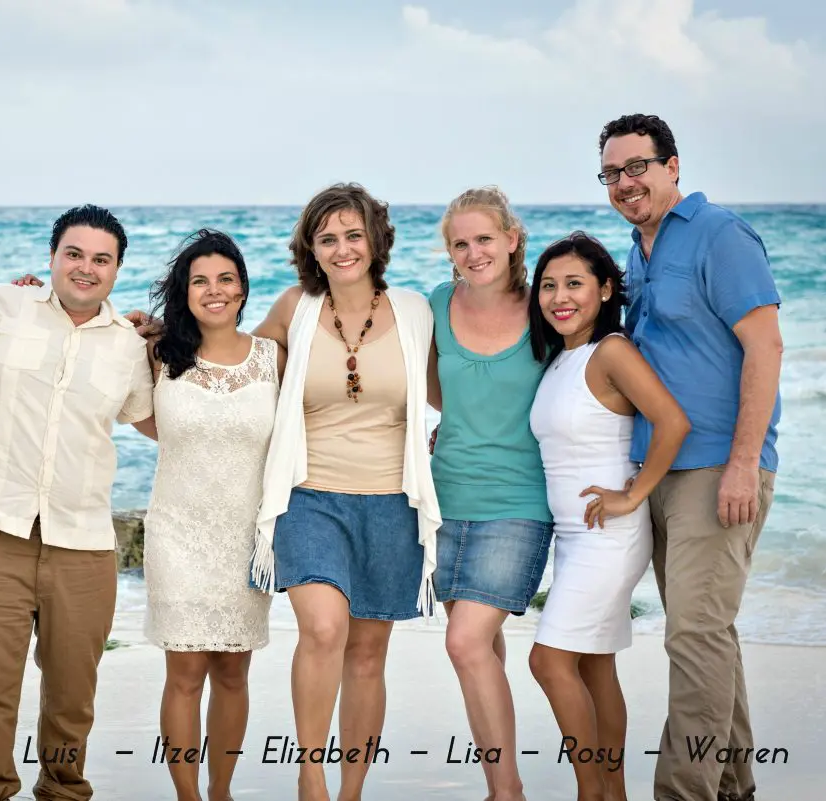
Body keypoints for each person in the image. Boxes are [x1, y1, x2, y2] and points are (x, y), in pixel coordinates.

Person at [597, 113, 783, 801]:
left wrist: (742, 462)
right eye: (612, 173)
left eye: (637, 166)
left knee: (695, 637)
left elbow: (765, 347)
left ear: (673, 165)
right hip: (662, 472)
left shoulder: (719, 233)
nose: (625, 182)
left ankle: (684, 792)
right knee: (707, 635)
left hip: (717, 468)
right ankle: (733, 785)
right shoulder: (638, 252)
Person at [0, 204, 154, 801]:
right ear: (53, 256)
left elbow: (159, 423)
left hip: (83, 545)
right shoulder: (1, 306)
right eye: (75, 254)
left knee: (71, 698)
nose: (86, 268)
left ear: (116, 271)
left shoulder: (129, 346)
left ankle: (64, 792)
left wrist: (177, 348)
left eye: (101, 259)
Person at [250, 182, 441, 801]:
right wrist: (149, 338)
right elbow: (229, 364)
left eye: (353, 235)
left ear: (376, 239)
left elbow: (454, 390)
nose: (341, 248)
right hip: (309, 496)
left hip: (393, 501)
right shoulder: (294, 309)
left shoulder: (415, 312)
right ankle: (312, 779)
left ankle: (352, 790)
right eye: (327, 238)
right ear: (311, 247)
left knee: (366, 654)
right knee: (324, 630)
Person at [526, 231, 690, 801]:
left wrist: (633, 493)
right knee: (593, 668)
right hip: (572, 539)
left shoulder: (611, 351)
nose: (558, 296)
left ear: (605, 289)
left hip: (609, 535)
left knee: (548, 662)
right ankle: (612, 793)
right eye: (548, 285)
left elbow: (671, 422)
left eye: (574, 283)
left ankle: (591, 792)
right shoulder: (558, 360)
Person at [143, 229, 284, 801]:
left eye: (226, 278)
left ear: (245, 288)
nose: (214, 290)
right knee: (184, 675)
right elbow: (131, 411)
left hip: (247, 540)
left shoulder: (273, 357)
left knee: (233, 674)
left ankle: (220, 791)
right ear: (185, 291)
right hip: (177, 534)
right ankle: (188, 796)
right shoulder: (157, 354)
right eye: (200, 281)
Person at [424, 186, 552, 801]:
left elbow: (587, 388)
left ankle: (507, 792)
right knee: (482, 651)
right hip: (444, 502)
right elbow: (432, 391)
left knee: (464, 641)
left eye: (484, 239)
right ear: (449, 253)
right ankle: (500, 783)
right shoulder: (436, 304)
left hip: (519, 505)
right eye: (460, 243)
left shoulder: (545, 309)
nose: (474, 252)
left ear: (511, 239)